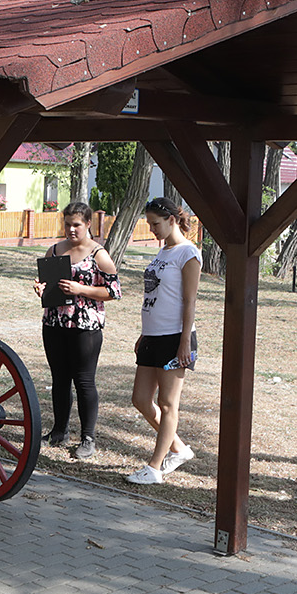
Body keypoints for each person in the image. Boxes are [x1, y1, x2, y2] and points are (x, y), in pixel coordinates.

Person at [33, 202, 120, 460]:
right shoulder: (55, 250)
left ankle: (88, 438)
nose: (71, 230)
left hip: (85, 328)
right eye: (67, 224)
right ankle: (59, 431)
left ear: (88, 225)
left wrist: (80, 289)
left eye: (77, 225)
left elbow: (114, 292)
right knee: (59, 379)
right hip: (55, 323)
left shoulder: (98, 255)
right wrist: (40, 288)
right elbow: (46, 282)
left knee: (84, 381)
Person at [126, 197, 201, 485]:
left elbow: (189, 300)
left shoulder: (188, 254)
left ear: (172, 220)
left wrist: (185, 341)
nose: (152, 229)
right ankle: (179, 449)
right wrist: (144, 332)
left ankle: (155, 468)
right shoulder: (162, 253)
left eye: (155, 224)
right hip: (152, 336)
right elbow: (155, 298)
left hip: (174, 337)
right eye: (149, 224)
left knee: (168, 404)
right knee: (141, 399)